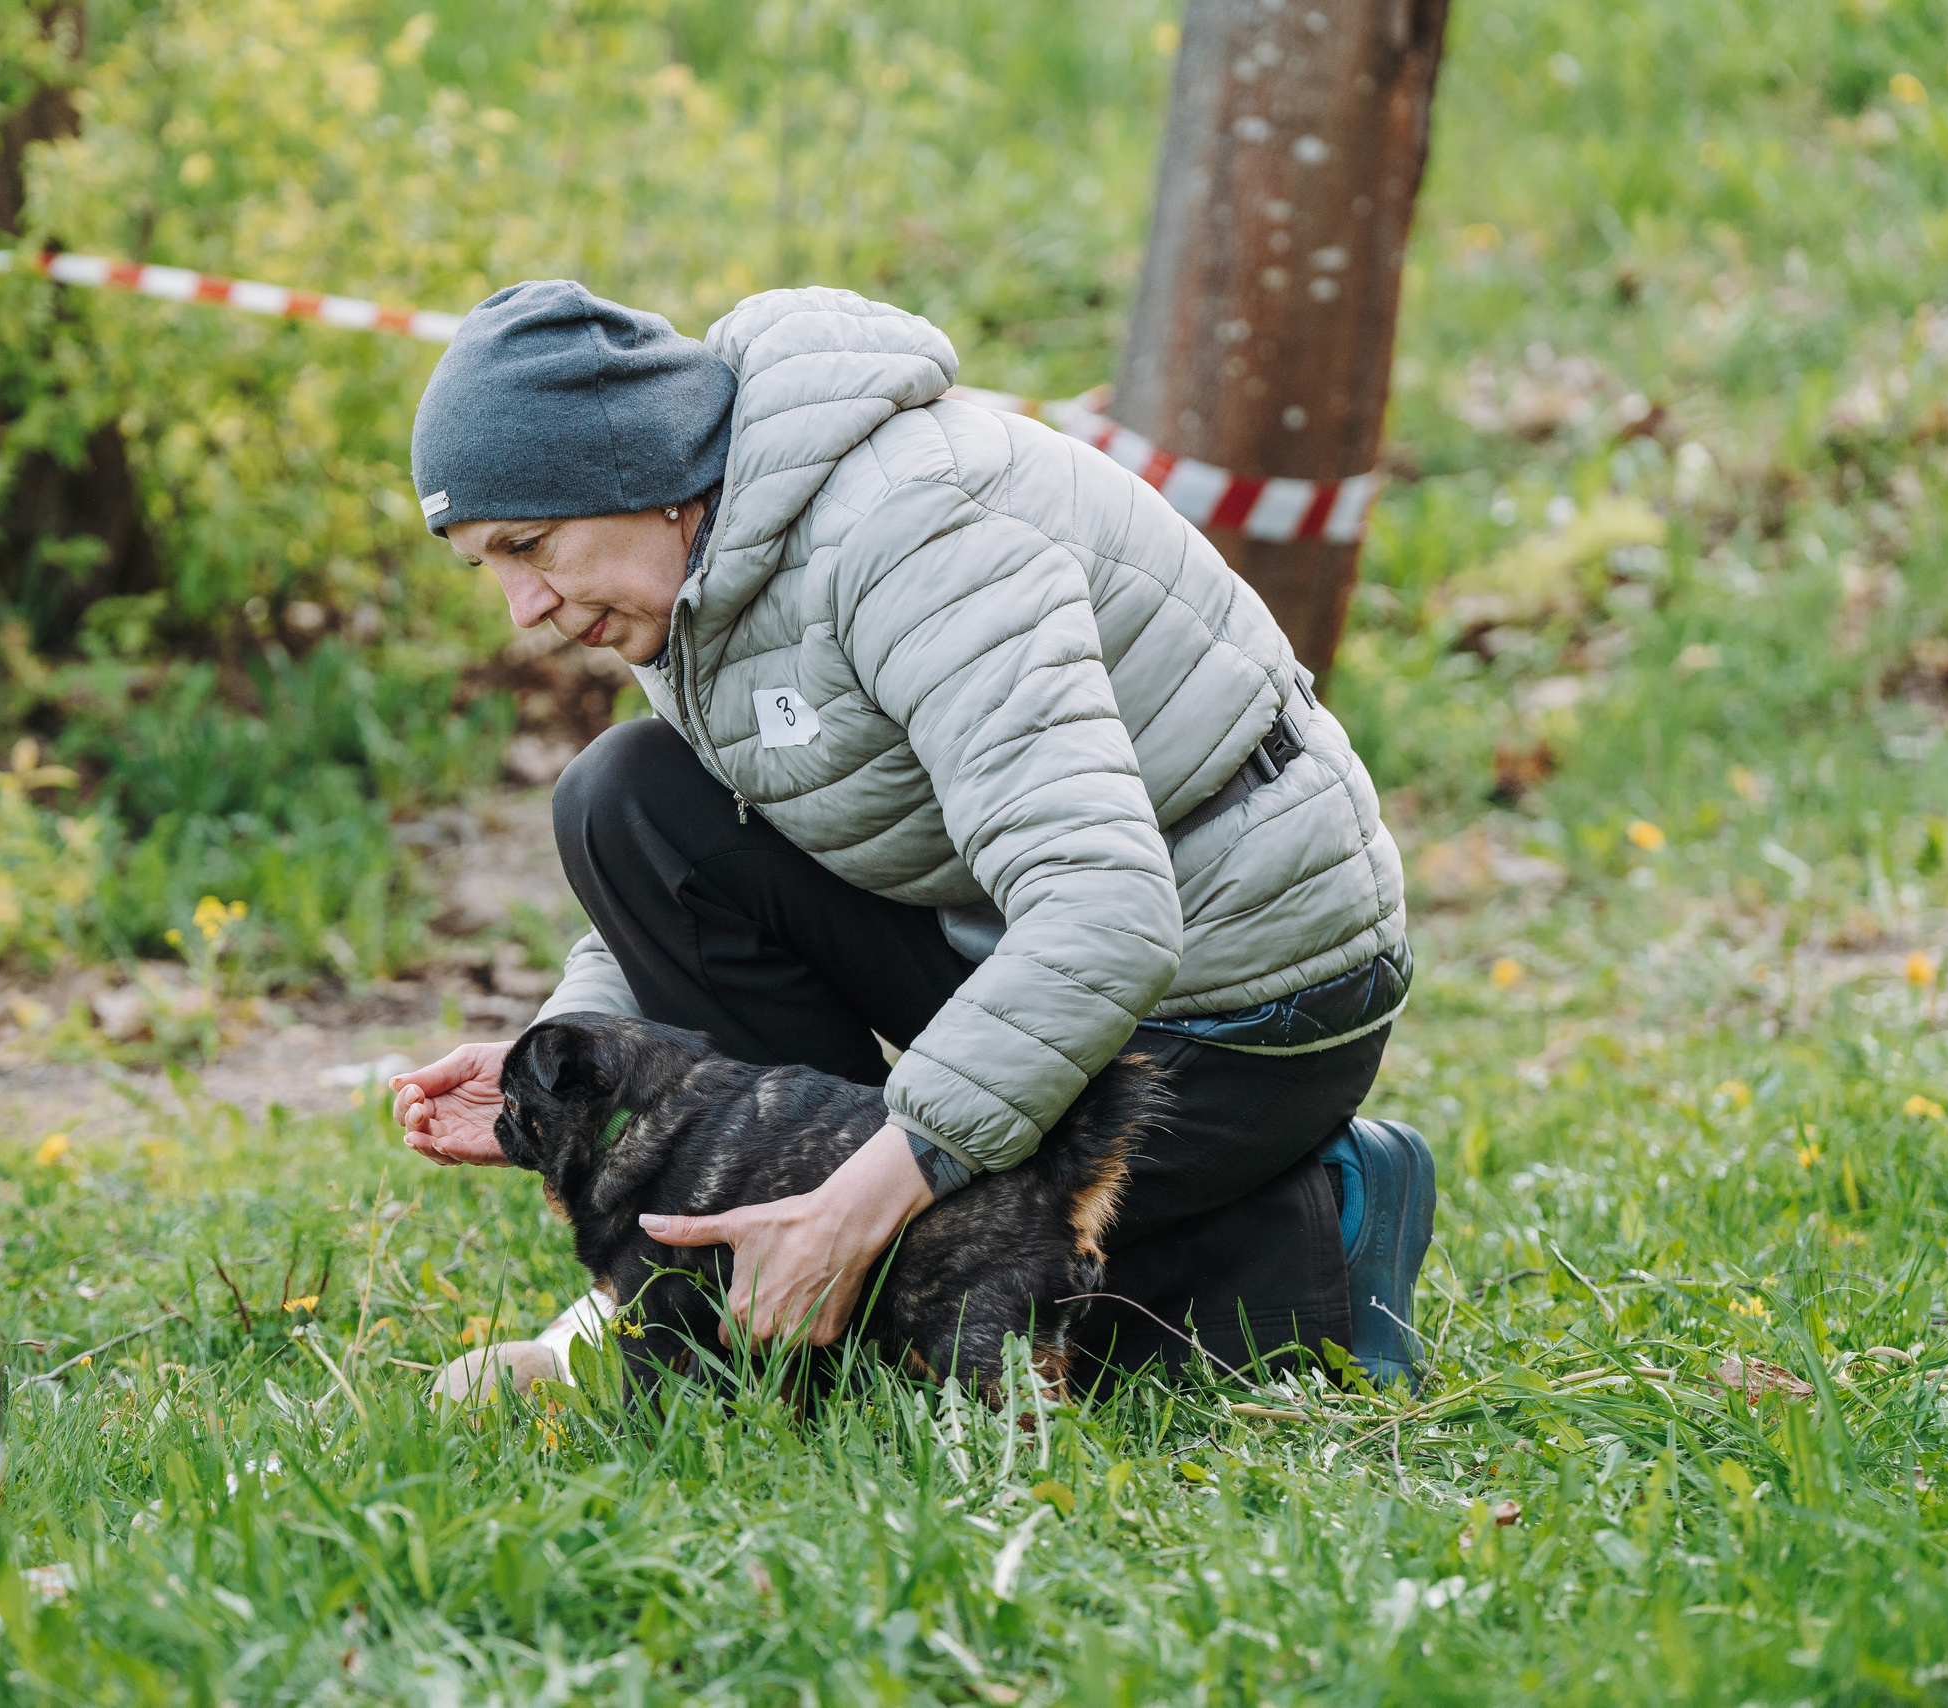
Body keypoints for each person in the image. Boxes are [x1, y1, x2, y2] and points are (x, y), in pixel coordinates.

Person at [390, 280, 1433, 1394]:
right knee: (626, 795)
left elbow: (1106, 911)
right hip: (1021, 949)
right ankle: (794, 1301)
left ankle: (1326, 1212)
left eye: (531, 544)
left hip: (1238, 1002)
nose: (523, 609)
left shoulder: (909, 528)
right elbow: (702, 866)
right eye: (486, 565)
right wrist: (564, 1067)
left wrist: (866, 1194)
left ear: (639, 473)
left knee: (966, 1286)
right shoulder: (700, 560)